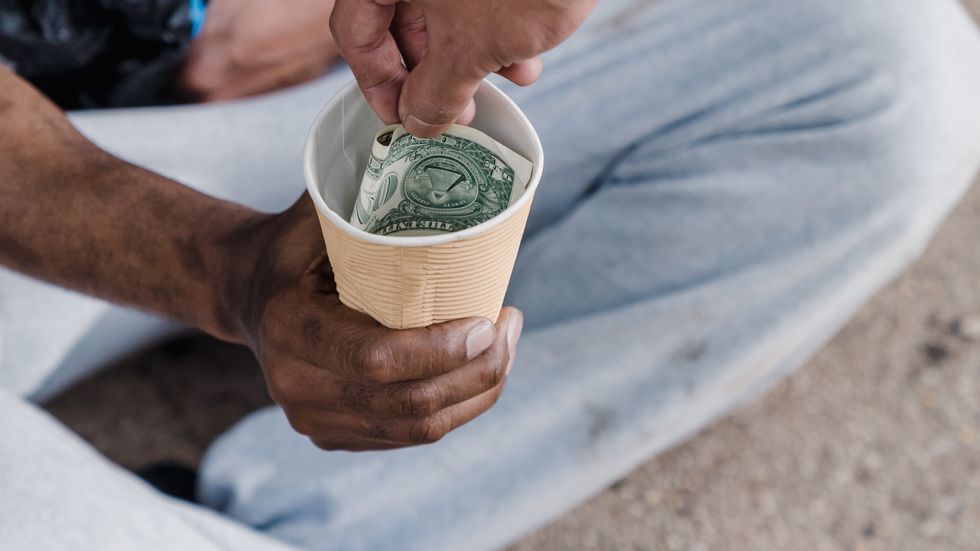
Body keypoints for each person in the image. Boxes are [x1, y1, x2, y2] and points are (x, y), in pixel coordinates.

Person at [1, 0, 979, 549]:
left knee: (880, 70)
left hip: (330, 60)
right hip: (37, 166)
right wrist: (227, 269)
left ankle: (311, 516)